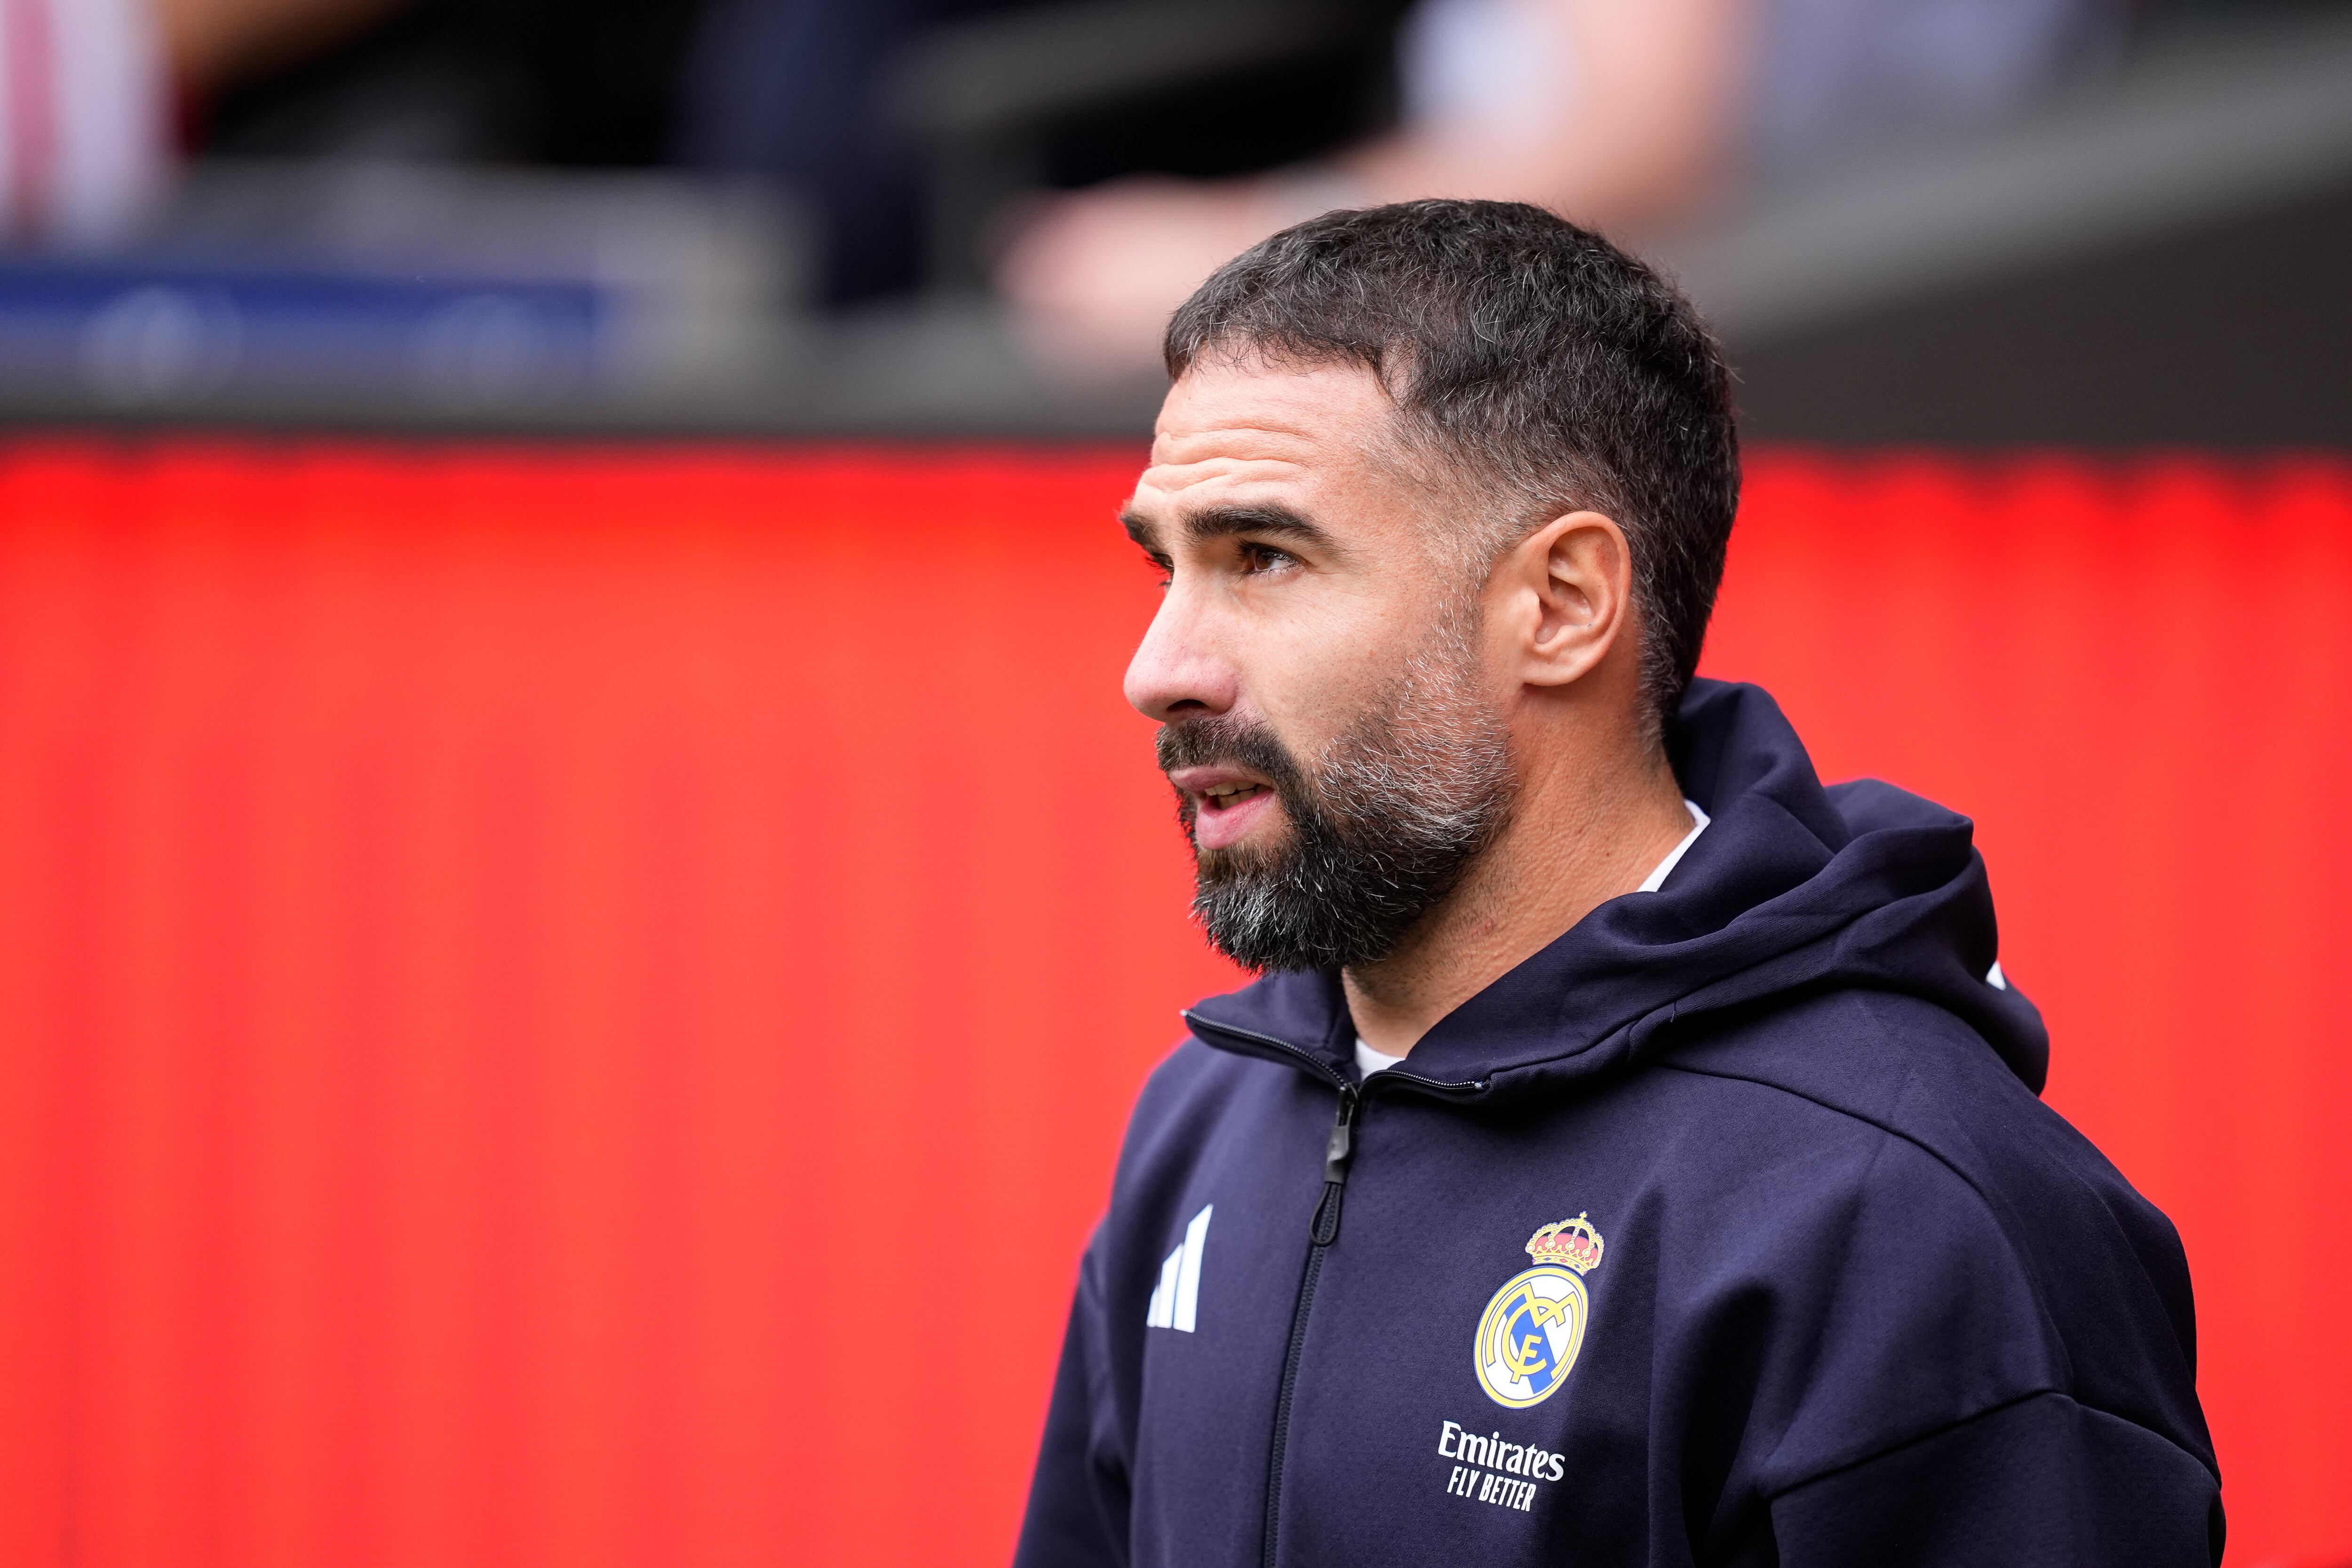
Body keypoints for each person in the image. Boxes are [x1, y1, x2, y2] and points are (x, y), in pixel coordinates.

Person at [1013, 199, 2219, 1567]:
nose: (1159, 668)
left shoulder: (1907, 1218)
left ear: (1566, 602)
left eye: (1265, 559)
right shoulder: (1207, 1122)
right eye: (1163, 564)